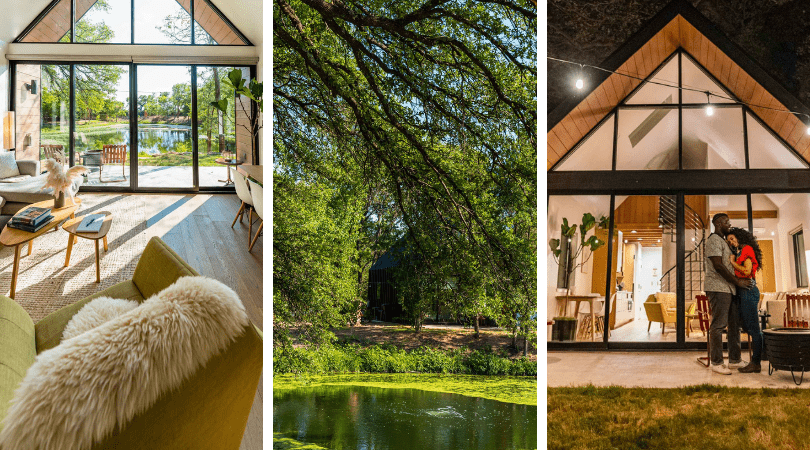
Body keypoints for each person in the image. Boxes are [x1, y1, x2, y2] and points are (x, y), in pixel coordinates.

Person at [704, 213, 752, 375]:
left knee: (734, 325)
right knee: (718, 325)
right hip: (718, 288)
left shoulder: (724, 242)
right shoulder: (713, 241)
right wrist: (738, 282)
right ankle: (717, 363)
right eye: (727, 222)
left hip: (729, 288)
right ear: (718, 223)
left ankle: (734, 360)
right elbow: (718, 265)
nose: (729, 225)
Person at [726, 227, 763, 373]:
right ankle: (756, 359)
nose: (731, 242)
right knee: (748, 326)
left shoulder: (747, 249)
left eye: (733, 238)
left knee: (754, 329)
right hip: (743, 292)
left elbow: (747, 272)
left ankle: (756, 362)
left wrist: (732, 262)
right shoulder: (740, 251)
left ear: (740, 237)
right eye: (729, 241)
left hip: (748, 290)